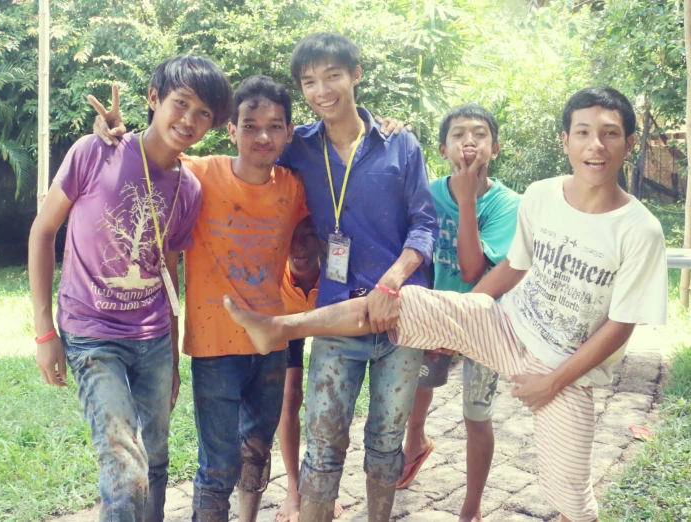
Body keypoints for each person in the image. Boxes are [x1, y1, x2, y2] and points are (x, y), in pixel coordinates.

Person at [221, 86, 669, 522]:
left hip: (564, 367)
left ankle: (479, 506)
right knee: (403, 300)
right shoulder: (544, 195)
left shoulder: (639, 230)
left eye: (609, 133)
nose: (596, 144)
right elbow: (513, 267)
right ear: (565, 140)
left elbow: (620, 325)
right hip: (508, 327)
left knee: (570, 493)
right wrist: (458, 323)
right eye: (584, 132)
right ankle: (281, 327)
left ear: (629, 143)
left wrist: (551, 382)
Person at [92, 75, 307, 522]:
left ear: (289, 131)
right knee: (218, 464)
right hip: (214, 348)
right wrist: (112, 135)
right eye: (250, 125)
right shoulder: (199, 174)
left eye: (274, 126)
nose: (262, 136)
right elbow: (152, 153)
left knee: (256, 450)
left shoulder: (294, 187)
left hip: (272, 341)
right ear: (231, 130)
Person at [28, 55, 231, 522]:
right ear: (154, 99)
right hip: (91, 334)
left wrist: (174, 356)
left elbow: (169, 272)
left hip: (154, 340)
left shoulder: (189, 188)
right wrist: (44, 332)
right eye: (181, 103)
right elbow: (43, 232)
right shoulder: (95, 151)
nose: (190, 120)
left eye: (204, 113)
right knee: (126, 470)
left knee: (155, 459)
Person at [278, 33, 438, 522]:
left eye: (332, 75)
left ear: (356, 75)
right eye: (309, 81)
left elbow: (426, 224)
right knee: (323, 443)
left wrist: (394, 281)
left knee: (387, 442)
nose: (321, 90)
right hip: (336, 315)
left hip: (399, 316)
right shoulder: (298, 147)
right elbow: (246, 163)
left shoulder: (400, 144)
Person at [397, 105, 521, 522]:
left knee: (476, 415)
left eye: (480, 134)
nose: (470, 141)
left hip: (484, 321)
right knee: (419, 387)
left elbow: (472, 270)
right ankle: (415, 441)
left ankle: (471, 507)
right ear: (442, 148)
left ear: (496, 148)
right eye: (459, 134)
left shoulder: (507, 205)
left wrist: (466, 200)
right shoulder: (428, 194)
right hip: (434, 318)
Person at [276, 216, 343, 522]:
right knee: (289, 397)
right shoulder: (276, 273)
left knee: (329, 399)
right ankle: (293, 488)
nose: (298, 247)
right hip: (287, 322)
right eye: (290, 237)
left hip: (327, 318)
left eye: (308, 236)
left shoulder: (335, 274)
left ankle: (325, 486)